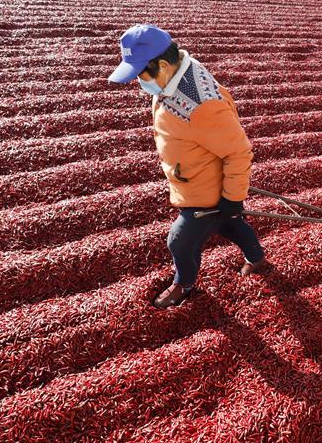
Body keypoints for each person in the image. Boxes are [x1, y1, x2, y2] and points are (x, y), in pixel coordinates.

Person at [108, 24, 272, 309]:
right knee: (229, 224)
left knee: (179, 242)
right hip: (196, 172)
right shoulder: (179, 71)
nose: (139, 82)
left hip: (203, 190)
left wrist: (233, 198)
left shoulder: (201, 106)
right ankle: (257, 259)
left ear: (162, 64)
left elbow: (239, 153)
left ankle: (184, 284)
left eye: (140, 74)